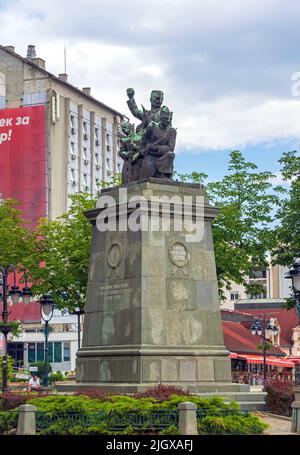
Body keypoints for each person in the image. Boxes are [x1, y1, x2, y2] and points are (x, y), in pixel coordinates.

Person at [140, 106, 176, 180]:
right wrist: (144, 148)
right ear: (161, 118)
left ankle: (164, 174)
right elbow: (144, 138)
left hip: (164, 157)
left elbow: (170, 148)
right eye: (165, 119)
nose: (168, 121)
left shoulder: (172, 131)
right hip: (151, 155)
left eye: (168, 119)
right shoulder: (152, 126)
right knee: (145, 178)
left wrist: (156, 148)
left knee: (171, 154)